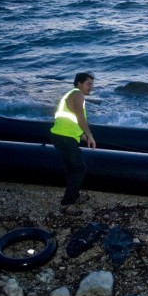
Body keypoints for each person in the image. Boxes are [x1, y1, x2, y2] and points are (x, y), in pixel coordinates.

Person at [50, 72, 96, 214]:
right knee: (79, 168)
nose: (91, 87)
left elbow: (71, 121)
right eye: (88, 84)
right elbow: (81, 118)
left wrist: (81, 135)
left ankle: (74, 196)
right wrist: (90, 135)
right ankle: (66, 203)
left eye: (92, 84)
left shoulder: (72, 94)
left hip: (62, 136)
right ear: (79, 84)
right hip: (64, 137)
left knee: (72, 168)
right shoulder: (78, 94)